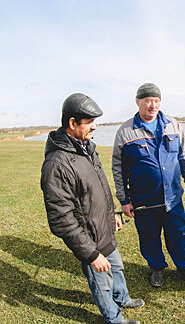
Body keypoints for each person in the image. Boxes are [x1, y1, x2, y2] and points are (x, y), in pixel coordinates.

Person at [40, 93, 144, 324]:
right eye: (90, 122)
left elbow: (99, 189)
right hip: (90, 241)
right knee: (102, 282)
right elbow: (61, 219)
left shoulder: (86, 147)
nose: (95, 127)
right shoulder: (57, 165)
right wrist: (91, 254)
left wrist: (112, 214)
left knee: (117, 269)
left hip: (104, 229)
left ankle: (123, 298)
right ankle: (114, 319)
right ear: (72, 123)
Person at [112, 83, 185, 287]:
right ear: (138, 102)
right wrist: (124, 200)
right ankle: (157, 268)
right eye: (147, 101)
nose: (152, 105)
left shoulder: (173, 125)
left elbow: (184, 155)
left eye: (156, 101)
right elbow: (118, 169)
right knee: (149, 236)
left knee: (179, 233)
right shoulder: (125, 131)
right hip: (143, 199)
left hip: (172, 196)